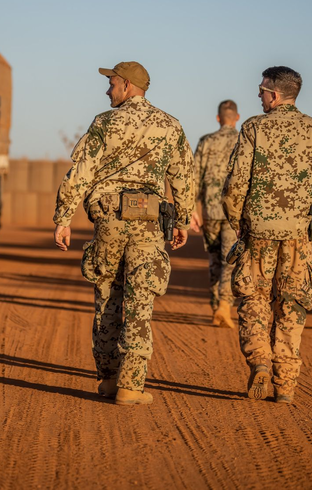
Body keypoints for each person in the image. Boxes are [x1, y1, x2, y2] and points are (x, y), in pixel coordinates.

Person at [53, 61, 195, 406]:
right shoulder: (170, 125)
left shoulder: (104, 123)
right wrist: (183, 220)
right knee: (140, 301)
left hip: (109, 219)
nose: (107, 90)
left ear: (128, 87)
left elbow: (81, 173)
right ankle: (132, 385)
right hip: (148, 220)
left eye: (112, 84)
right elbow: (184, 177)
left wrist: (64, 217)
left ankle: (108, 379)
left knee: (107, 297)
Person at [222, 66, 312, 404]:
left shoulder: (254, 128)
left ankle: (259, 360)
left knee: (253, 302)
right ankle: (286, 385)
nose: (259, 96)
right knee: (291, 308)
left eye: (262, 90)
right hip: (297, 237)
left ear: (275, 95)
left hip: (258, 235)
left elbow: (234, 187)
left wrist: (238, 223)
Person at [191, 99, 241, 327]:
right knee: (230, 260)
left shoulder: (206, 141)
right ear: (237, 118)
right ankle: (224, 304)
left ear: (218, 118)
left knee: (214, 260)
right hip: (235, 213)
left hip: (210, 211)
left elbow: (193, 177)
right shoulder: (245, 141)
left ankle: (215, 307)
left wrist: (191, 208)